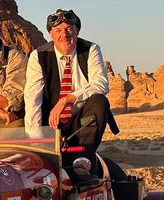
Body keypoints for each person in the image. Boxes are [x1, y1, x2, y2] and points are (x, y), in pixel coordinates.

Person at [24, 9, 119, 177]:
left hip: (81, 122)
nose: (65, 34)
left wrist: (68, 99)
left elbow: (101, 84)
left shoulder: (90, 50)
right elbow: (33, 100)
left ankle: (82, 163)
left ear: (77, 31)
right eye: (58, 30)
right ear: (50, 34)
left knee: (99, 101)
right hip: (51, 124)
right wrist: (37, 144)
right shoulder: (38, 56)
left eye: (69, 28)